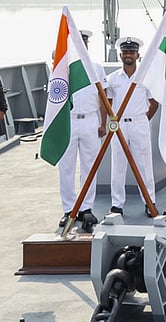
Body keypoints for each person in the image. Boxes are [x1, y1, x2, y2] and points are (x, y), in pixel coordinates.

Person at [57, 30, 108, 230]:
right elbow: (55, 100)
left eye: (83, 43)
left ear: (86, 45)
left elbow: (102, 98)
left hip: (89, 121)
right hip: (68, 122)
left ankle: (86, 208)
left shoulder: (96, 68)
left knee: (89, 167)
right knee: (66, 167)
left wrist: (103, 123)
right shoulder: (63, 70)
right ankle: (69, 209)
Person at [107, 37, 158, 216]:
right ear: (121, 55)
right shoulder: (112, 79)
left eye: (132, 52)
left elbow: (154, 103)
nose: (129, 55)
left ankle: (149, 201)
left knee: (144, 165)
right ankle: (117, 205)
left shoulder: (146, 77)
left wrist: (143, 119)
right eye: (126, 52)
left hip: (139, 123)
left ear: (138, 55)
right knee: (118, 166)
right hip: (119, 125)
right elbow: (108, 103)